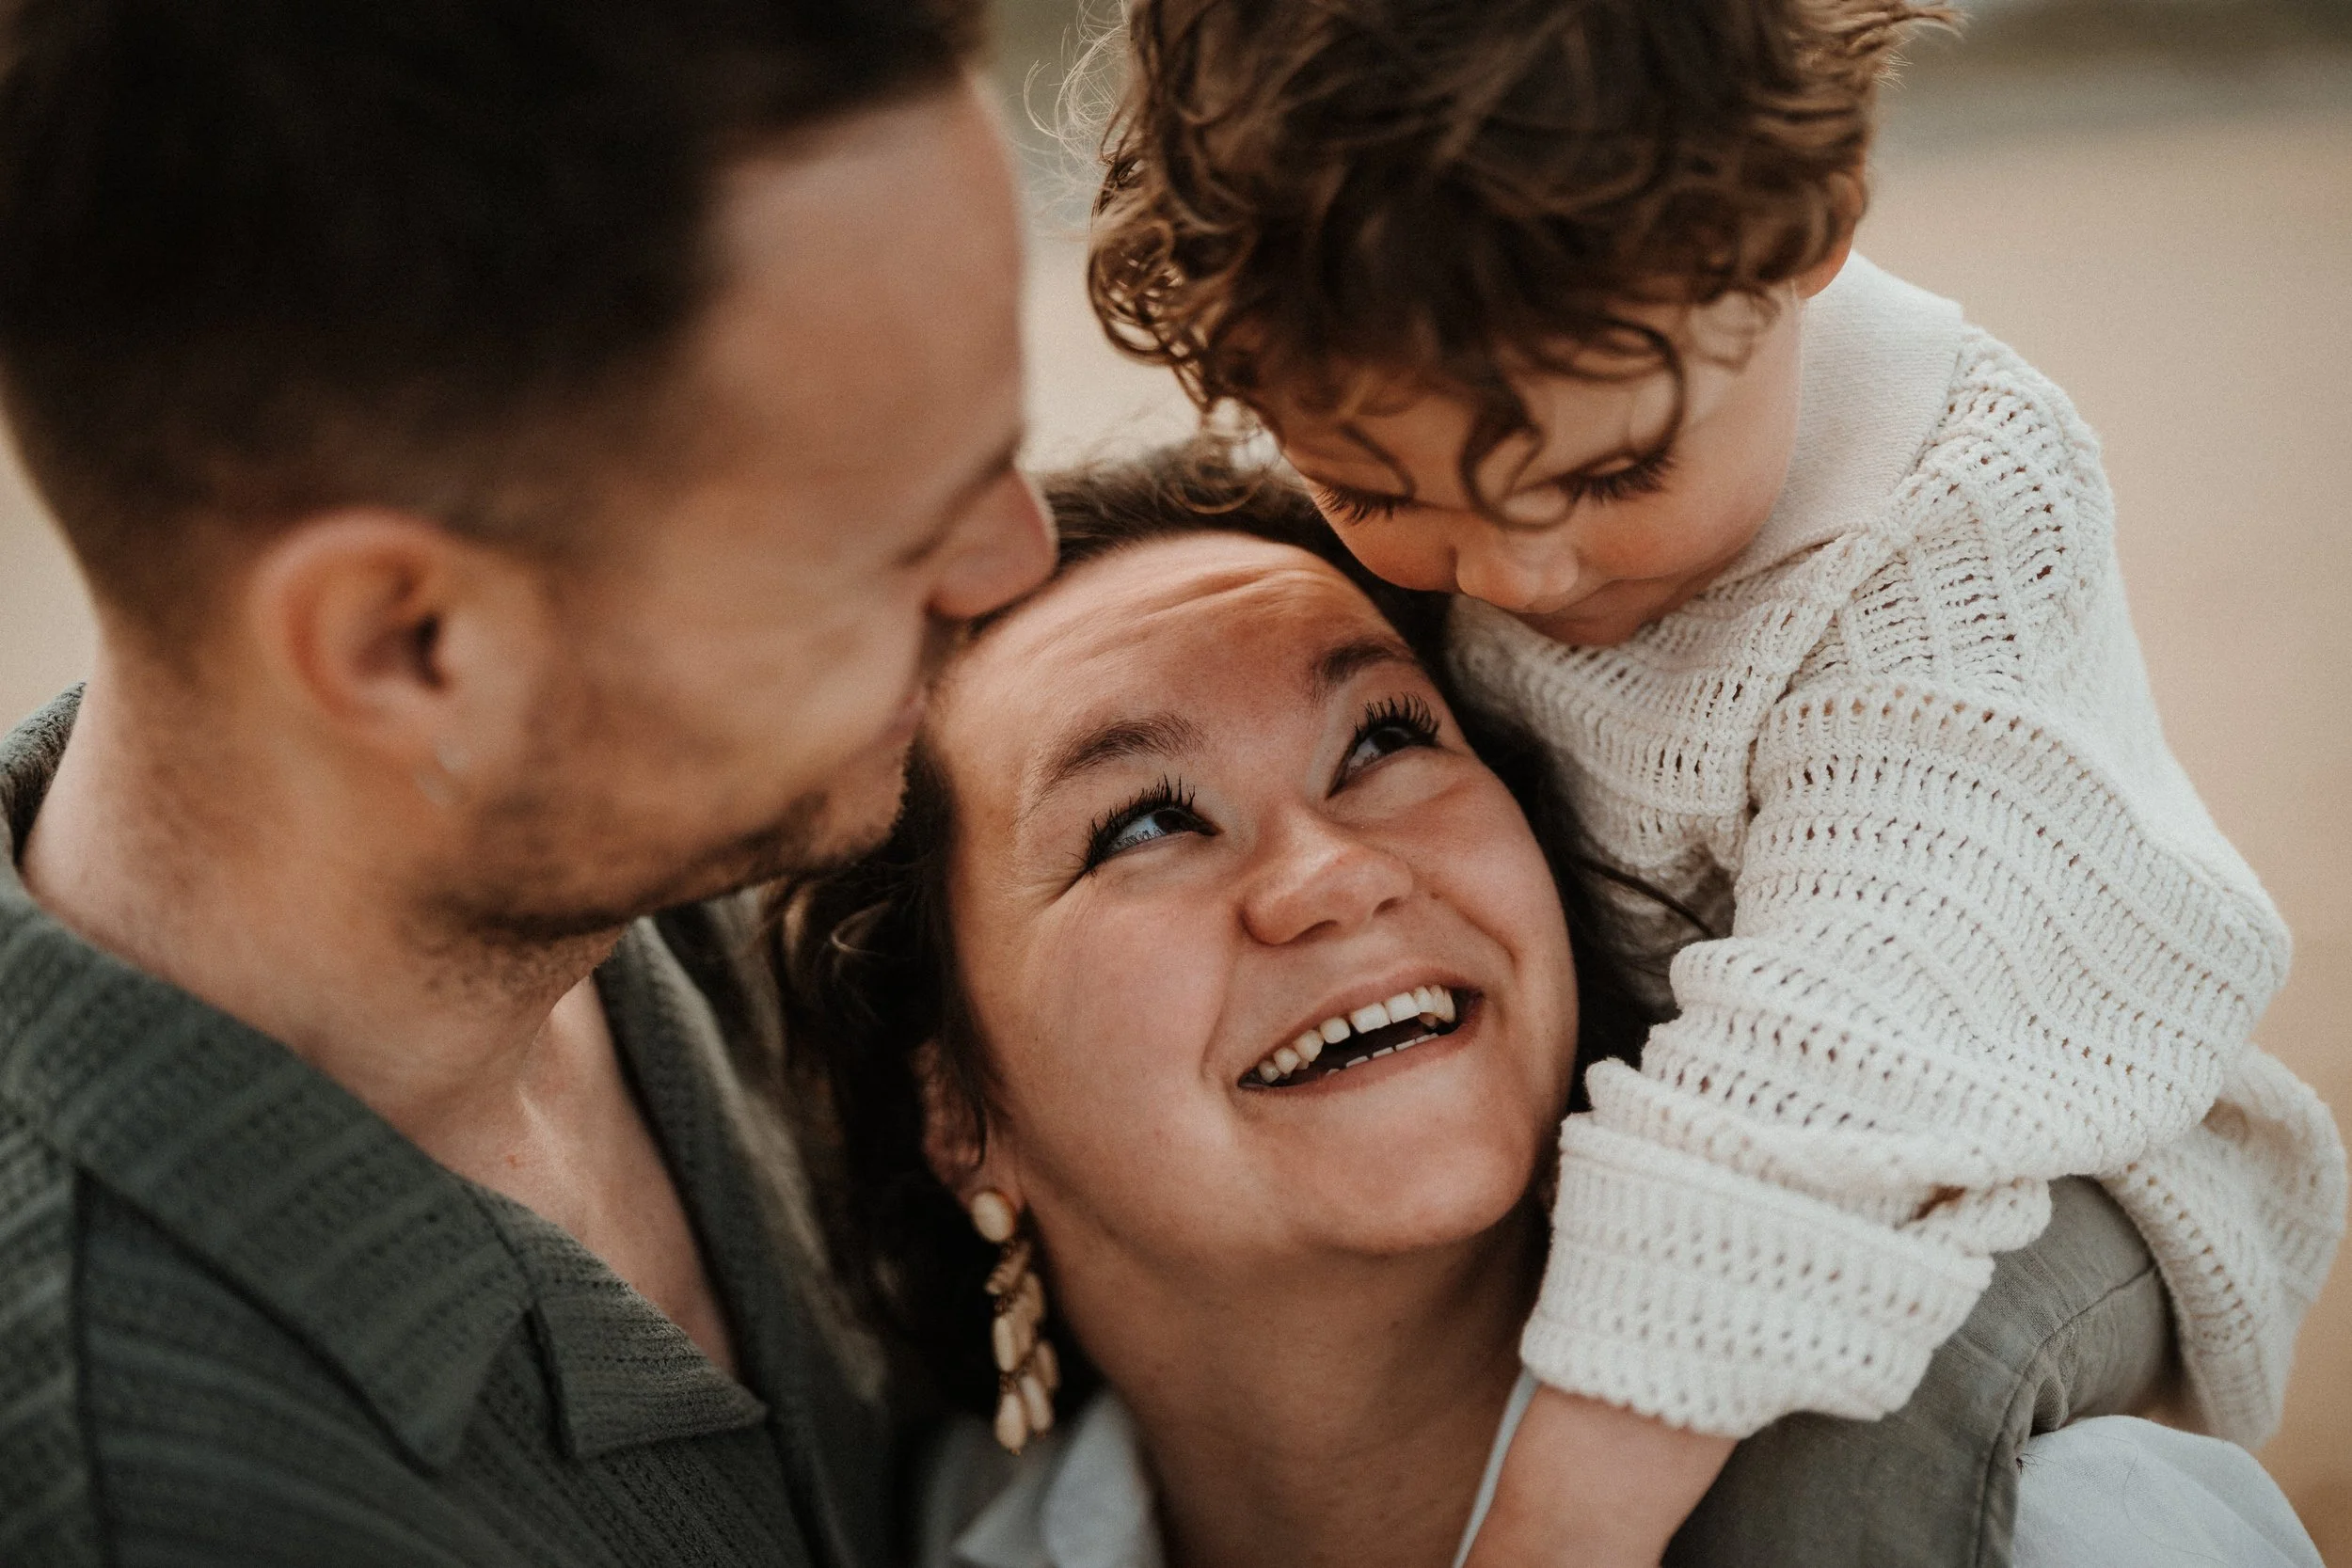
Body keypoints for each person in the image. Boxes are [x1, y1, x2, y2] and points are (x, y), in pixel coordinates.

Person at [1078, 1, 2346, 1562]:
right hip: (1691, 1153)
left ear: (1807, 232)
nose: (1518, 570)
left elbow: (1825, 1070)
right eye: (1380, 491)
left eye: (1612, 476)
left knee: (1835, 1444)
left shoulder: (1942, 529)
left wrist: (1544, 1537)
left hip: (2035, 1163)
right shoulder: (1489, 387)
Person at [768, 447, 2324, 1568]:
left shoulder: (2058, 1528)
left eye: (1382, 736)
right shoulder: (937, 1534)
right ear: (955, 1108)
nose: (1328, 873)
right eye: (1143, 823)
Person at [0, 1, 1052, 1562]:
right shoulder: (161, 1499)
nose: (1019, 558)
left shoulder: (682, 845)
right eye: (895, 540)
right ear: (407, 642)